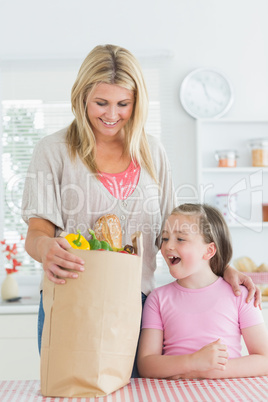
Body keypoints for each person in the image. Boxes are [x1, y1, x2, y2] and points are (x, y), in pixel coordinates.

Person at [21, 45, 260, 377]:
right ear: (82, 97)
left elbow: (174, 231)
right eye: (100, 103)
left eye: (123, 104)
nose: (111, 114)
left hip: (135, 305)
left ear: (138, 102)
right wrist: (45, 247)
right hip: (71, 302)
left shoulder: (152, 153)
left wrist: (223, 268)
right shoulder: (54, 151)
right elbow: (38, 232)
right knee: (70, 393)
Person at [137, 203, 268, 379]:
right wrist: (193, 362)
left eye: (180, 239)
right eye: (165, 238)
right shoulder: (157, 299)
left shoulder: (241, 295)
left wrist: (210, 370)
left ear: (209, 250)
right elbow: (146, 364)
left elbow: (264, 359)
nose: (167, 246)